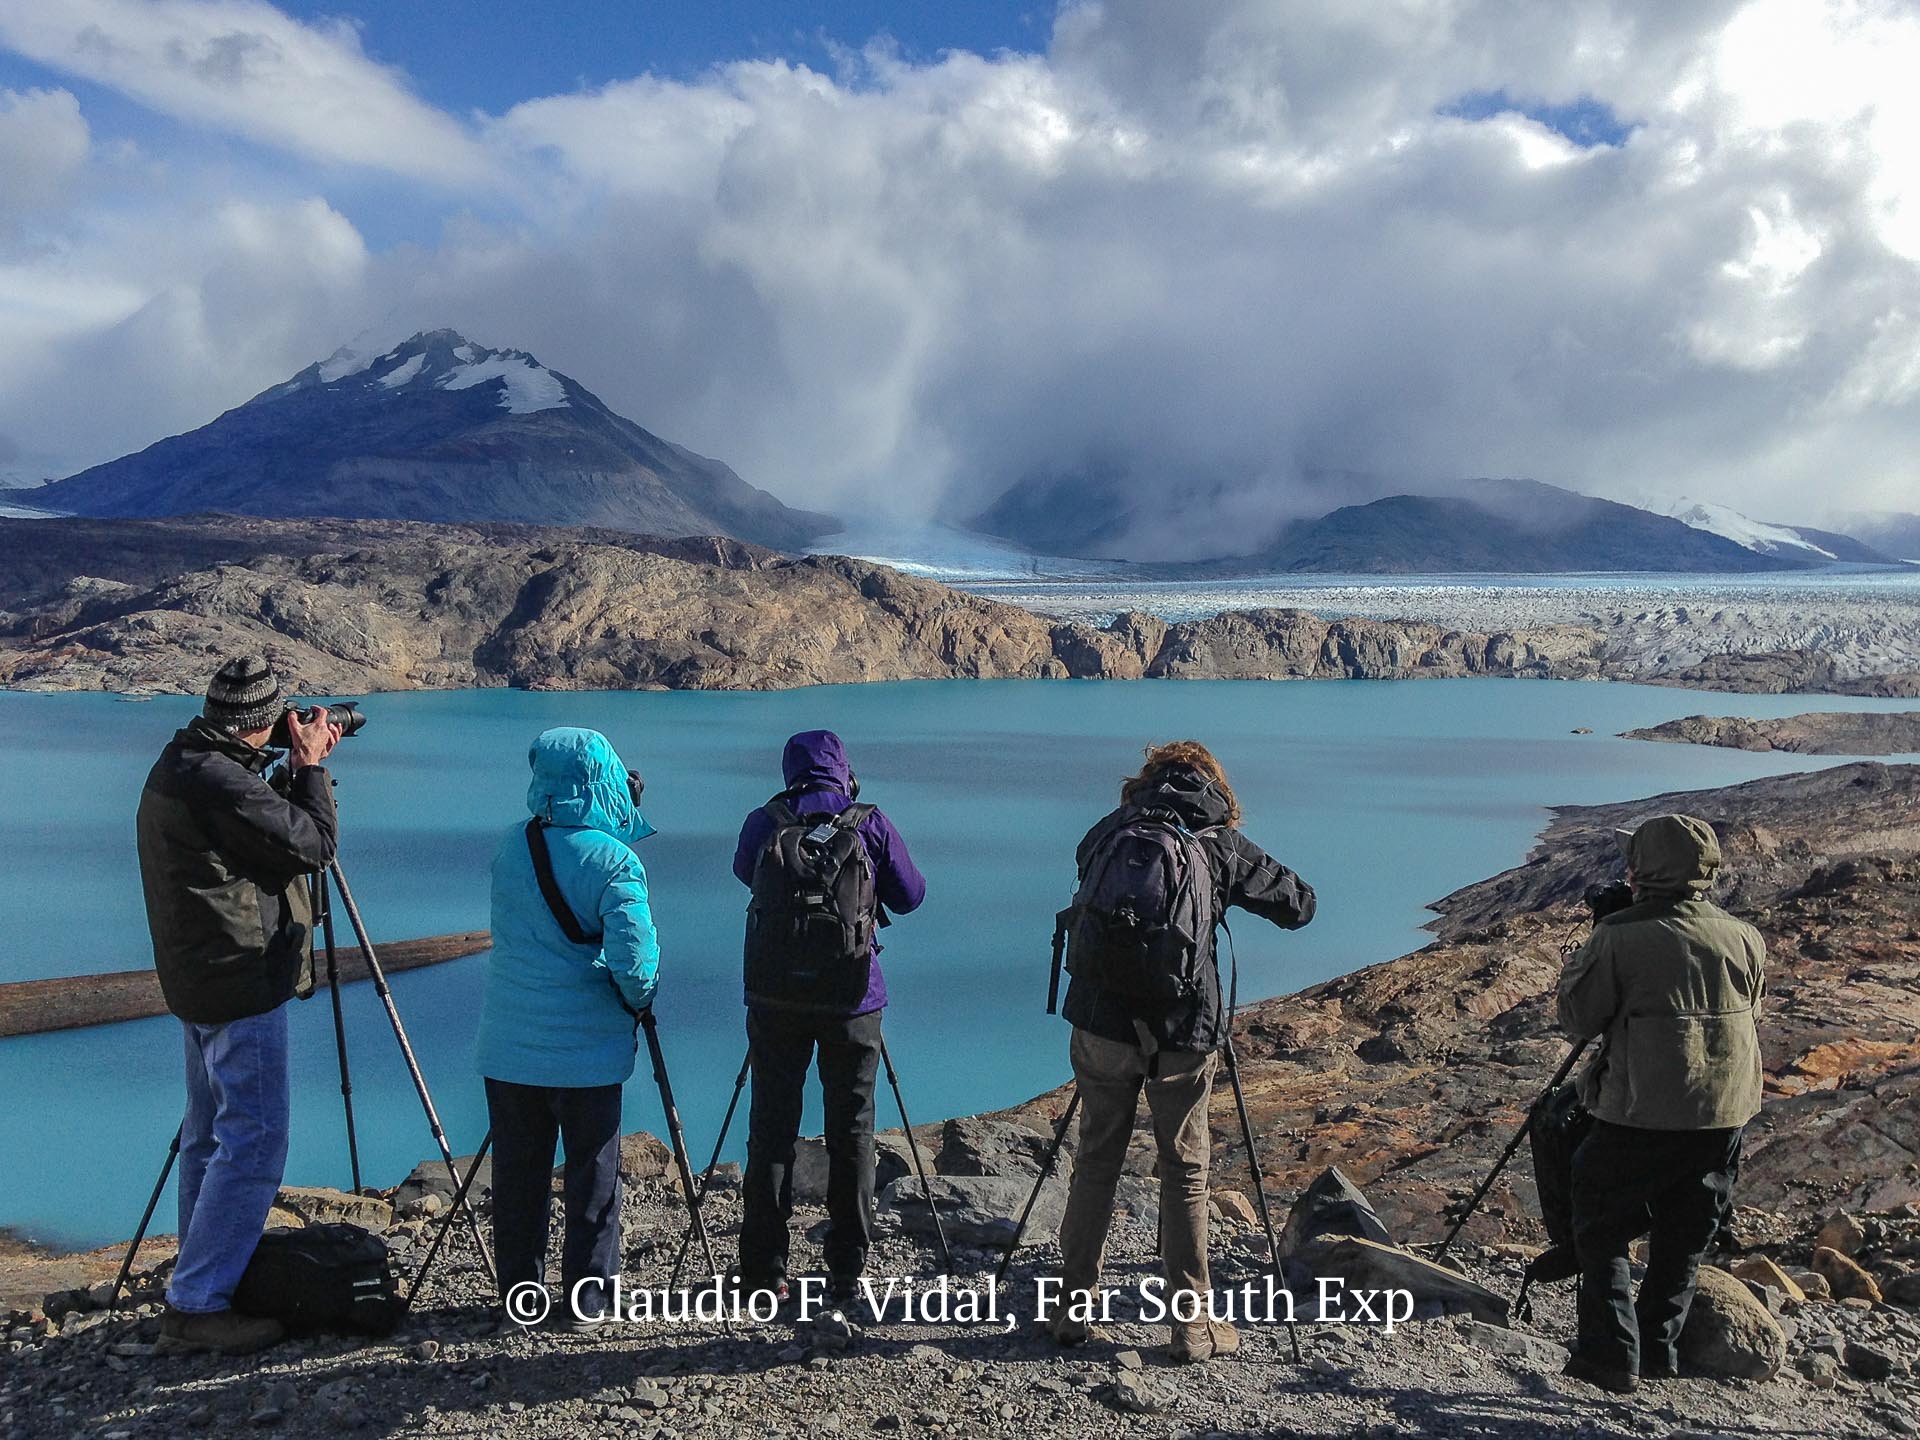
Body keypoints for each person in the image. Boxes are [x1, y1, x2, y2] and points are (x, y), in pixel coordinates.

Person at [1051, 740, 1315, 1363]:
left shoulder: (1110, 829)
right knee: (1185, 1170)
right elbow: (1300, 906)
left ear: (1146, 780)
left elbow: (1085, 869)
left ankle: (1071, 1311)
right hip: (1183, 1030)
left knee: (1095, 1160)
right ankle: (1190, 1326)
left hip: (1100, 1021)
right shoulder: (1218, 843)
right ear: (1215, 788)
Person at [137, 655, 342, 1355]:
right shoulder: (223, 781)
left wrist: (281, 774)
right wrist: (310, 769)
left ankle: (201, 1280)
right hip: (239, 983)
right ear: (265, 723)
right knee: (255, 1140)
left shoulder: (184, 760)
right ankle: (198, 1302)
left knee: (208, 1136)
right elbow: (313, 845)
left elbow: (253, 841)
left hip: (198, 981)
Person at [1557, 813, 1765, 1394]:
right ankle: (1658, 1352)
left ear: (1643, 869)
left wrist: (1596, 942)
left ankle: (1609, 1354)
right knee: (1684, 1235)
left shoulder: (1618, 938)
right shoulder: (1743, 935)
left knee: (1599, 1224)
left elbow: (1577, 1019)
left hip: (1640, 1111)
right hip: (1724, 1111)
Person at [731, 730, 925, 1303]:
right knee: (852, 1130)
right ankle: (847, 1268)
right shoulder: (868, 821)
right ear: (846, 773)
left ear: (789, 771)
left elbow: (747, 875)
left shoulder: (764, 821)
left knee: (771, 1131)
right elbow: (910, 895)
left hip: (775, 1001)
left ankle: (765, 1271)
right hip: (853, 999)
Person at [475, 727, 659, 1330]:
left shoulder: (510, 845)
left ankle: (518, 1303)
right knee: (592, 1174)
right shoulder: (614, 860)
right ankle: (588, 1301)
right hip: (587, 1055)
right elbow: (635, 963)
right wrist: (637, 1000)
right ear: (602, 779)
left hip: (510, 1049)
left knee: (518, 1178)